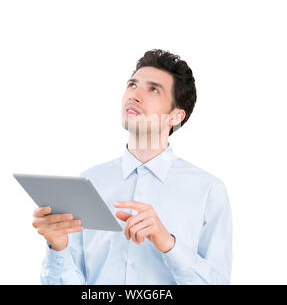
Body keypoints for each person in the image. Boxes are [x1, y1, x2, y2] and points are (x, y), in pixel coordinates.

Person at [32, 49, 233, 285]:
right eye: (132, 85)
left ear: (175, 117)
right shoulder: (90, 182)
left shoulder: (208, 190)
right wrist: (58, 248)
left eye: (153, 89)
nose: (134, 95)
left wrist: (167, 243)